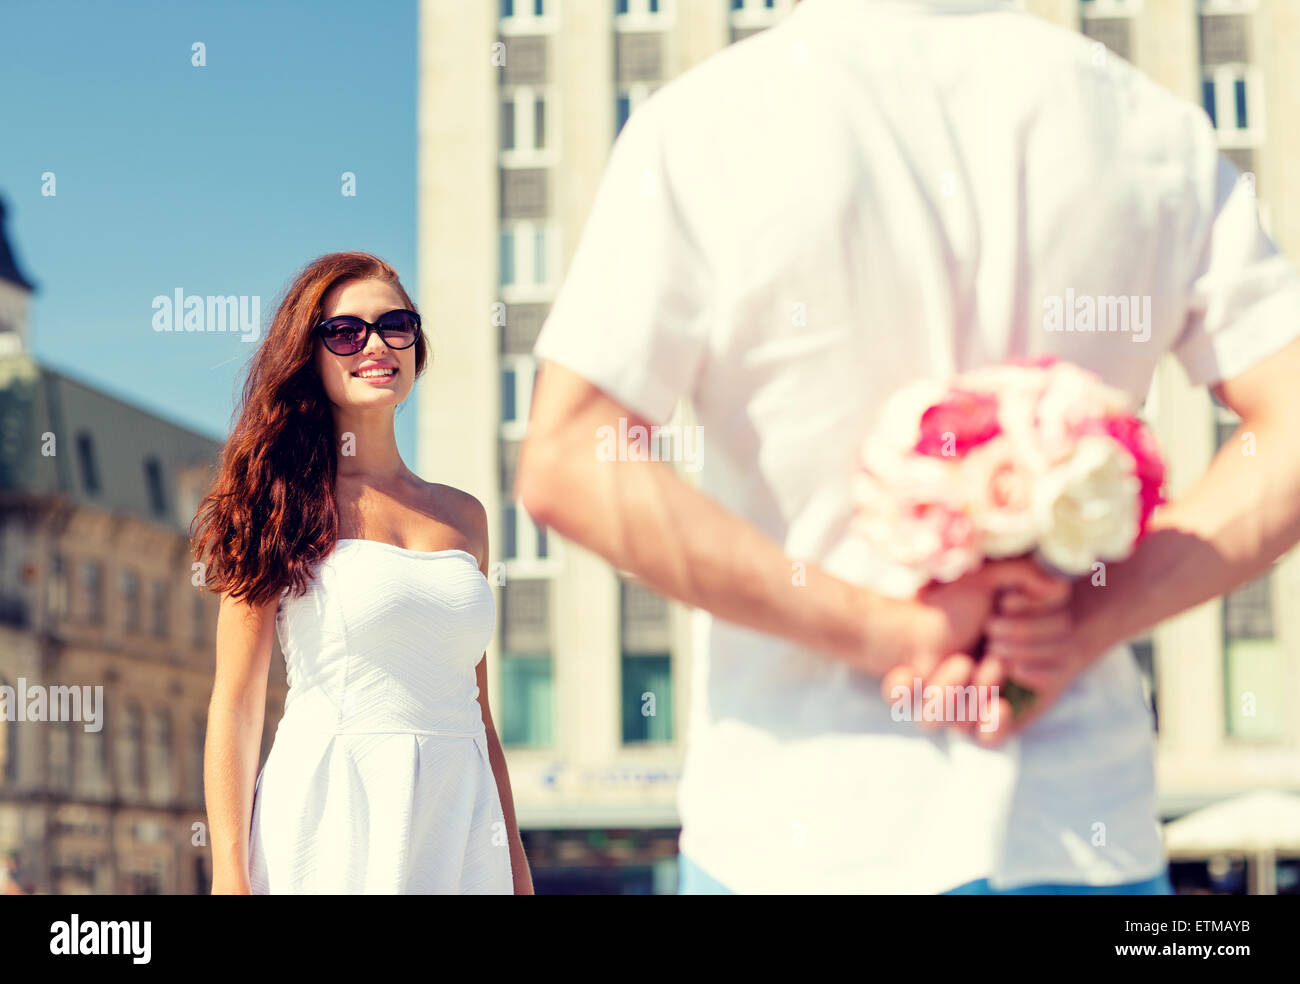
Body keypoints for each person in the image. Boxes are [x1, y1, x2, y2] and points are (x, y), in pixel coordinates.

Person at [515, 0, 1300, 893]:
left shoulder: (706, 120)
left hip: (797, 836)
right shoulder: (1151, 126)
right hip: (1084, 829)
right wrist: (1081, 624)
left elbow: (570, 458)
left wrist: (895, 634)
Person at [194, 252, 531, 894]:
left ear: (416, 343)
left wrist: (513, 862)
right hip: (332, 817)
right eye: (346, 332)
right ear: (310, 355)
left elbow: (478, 714)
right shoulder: (278, 504)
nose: (374, 344)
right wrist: (229, 877)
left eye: (394, 324)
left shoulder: (466, 518)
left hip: (460, 820)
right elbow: (236, 707)